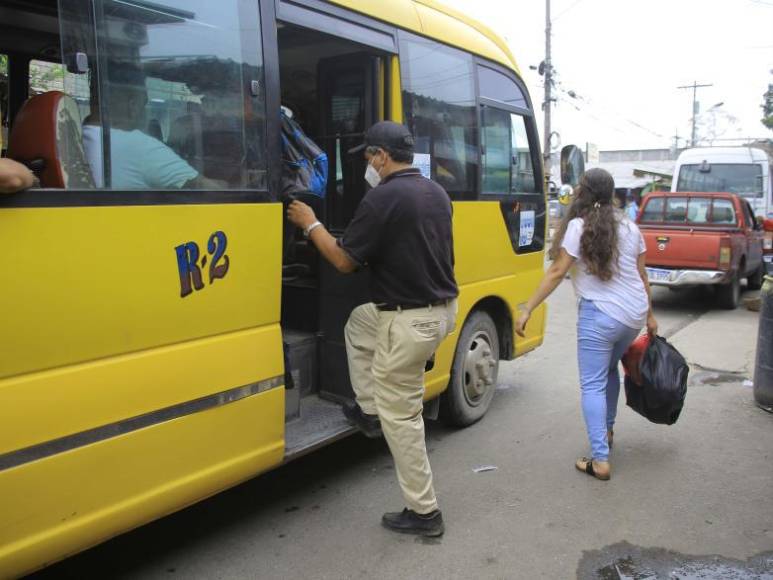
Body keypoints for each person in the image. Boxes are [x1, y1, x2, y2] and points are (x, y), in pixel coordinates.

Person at [286, 121, 458, 537]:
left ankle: (425, 513)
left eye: (368, 156)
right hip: (442, 310)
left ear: (382, 156)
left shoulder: (383, 198)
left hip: (409, 321)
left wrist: (310, 224)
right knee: (360, 323)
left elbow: (344, 262)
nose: (367, 163)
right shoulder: (435, 192)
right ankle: (370, 410)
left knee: (405, 419)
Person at [515, 168, 657, 481]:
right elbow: (643, 275)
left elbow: (555, 273)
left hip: (601, 317)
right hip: (632, 315)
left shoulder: (579, 226)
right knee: (608, 370)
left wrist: (528, 308)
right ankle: (605, 431)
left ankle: (600, 459)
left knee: (592, 382)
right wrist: (649, 316)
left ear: (585, 192)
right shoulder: (630, 226)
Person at [82, 63, 224, 190]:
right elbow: (208, 190)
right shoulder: (138, 146)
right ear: (133, 106)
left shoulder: (77, 138)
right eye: (144, 103)